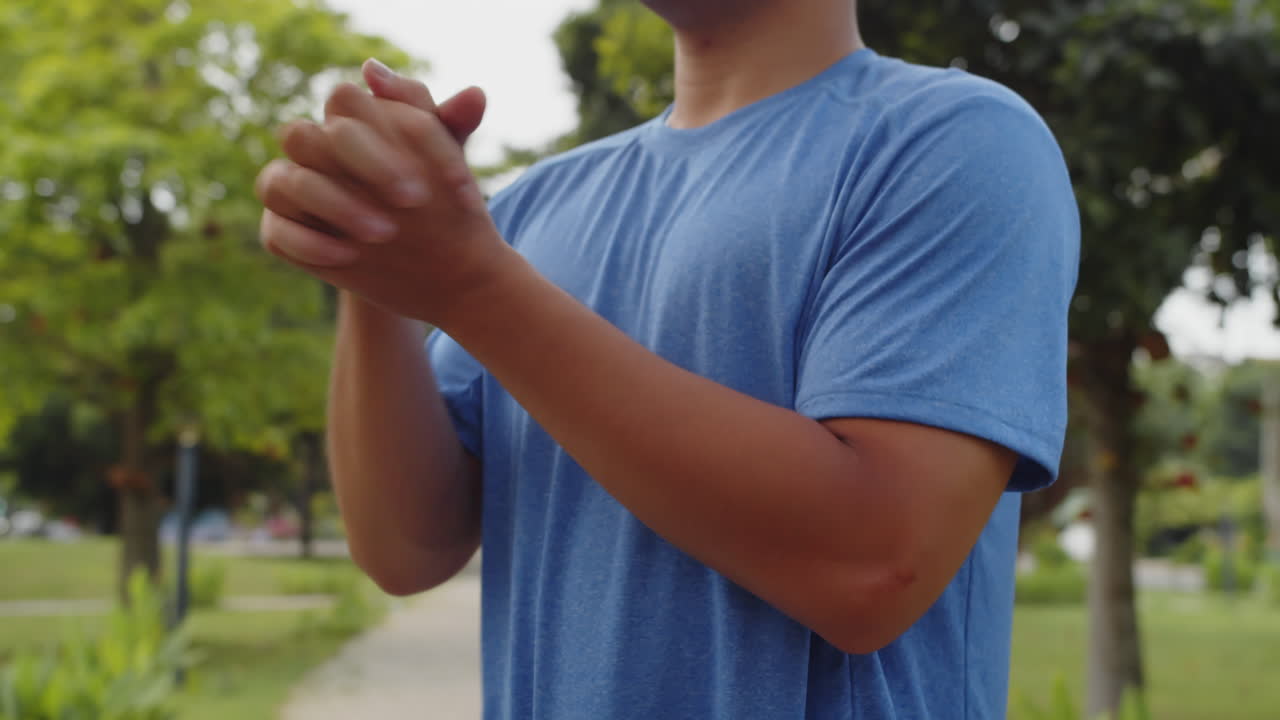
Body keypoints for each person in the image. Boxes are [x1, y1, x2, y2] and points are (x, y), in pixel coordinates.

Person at [254, 0, 1079, 717]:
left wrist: (469, 285)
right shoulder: (537, 206)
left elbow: (871, 565)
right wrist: (374, 260)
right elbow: (406, 548)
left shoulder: (957, 143)